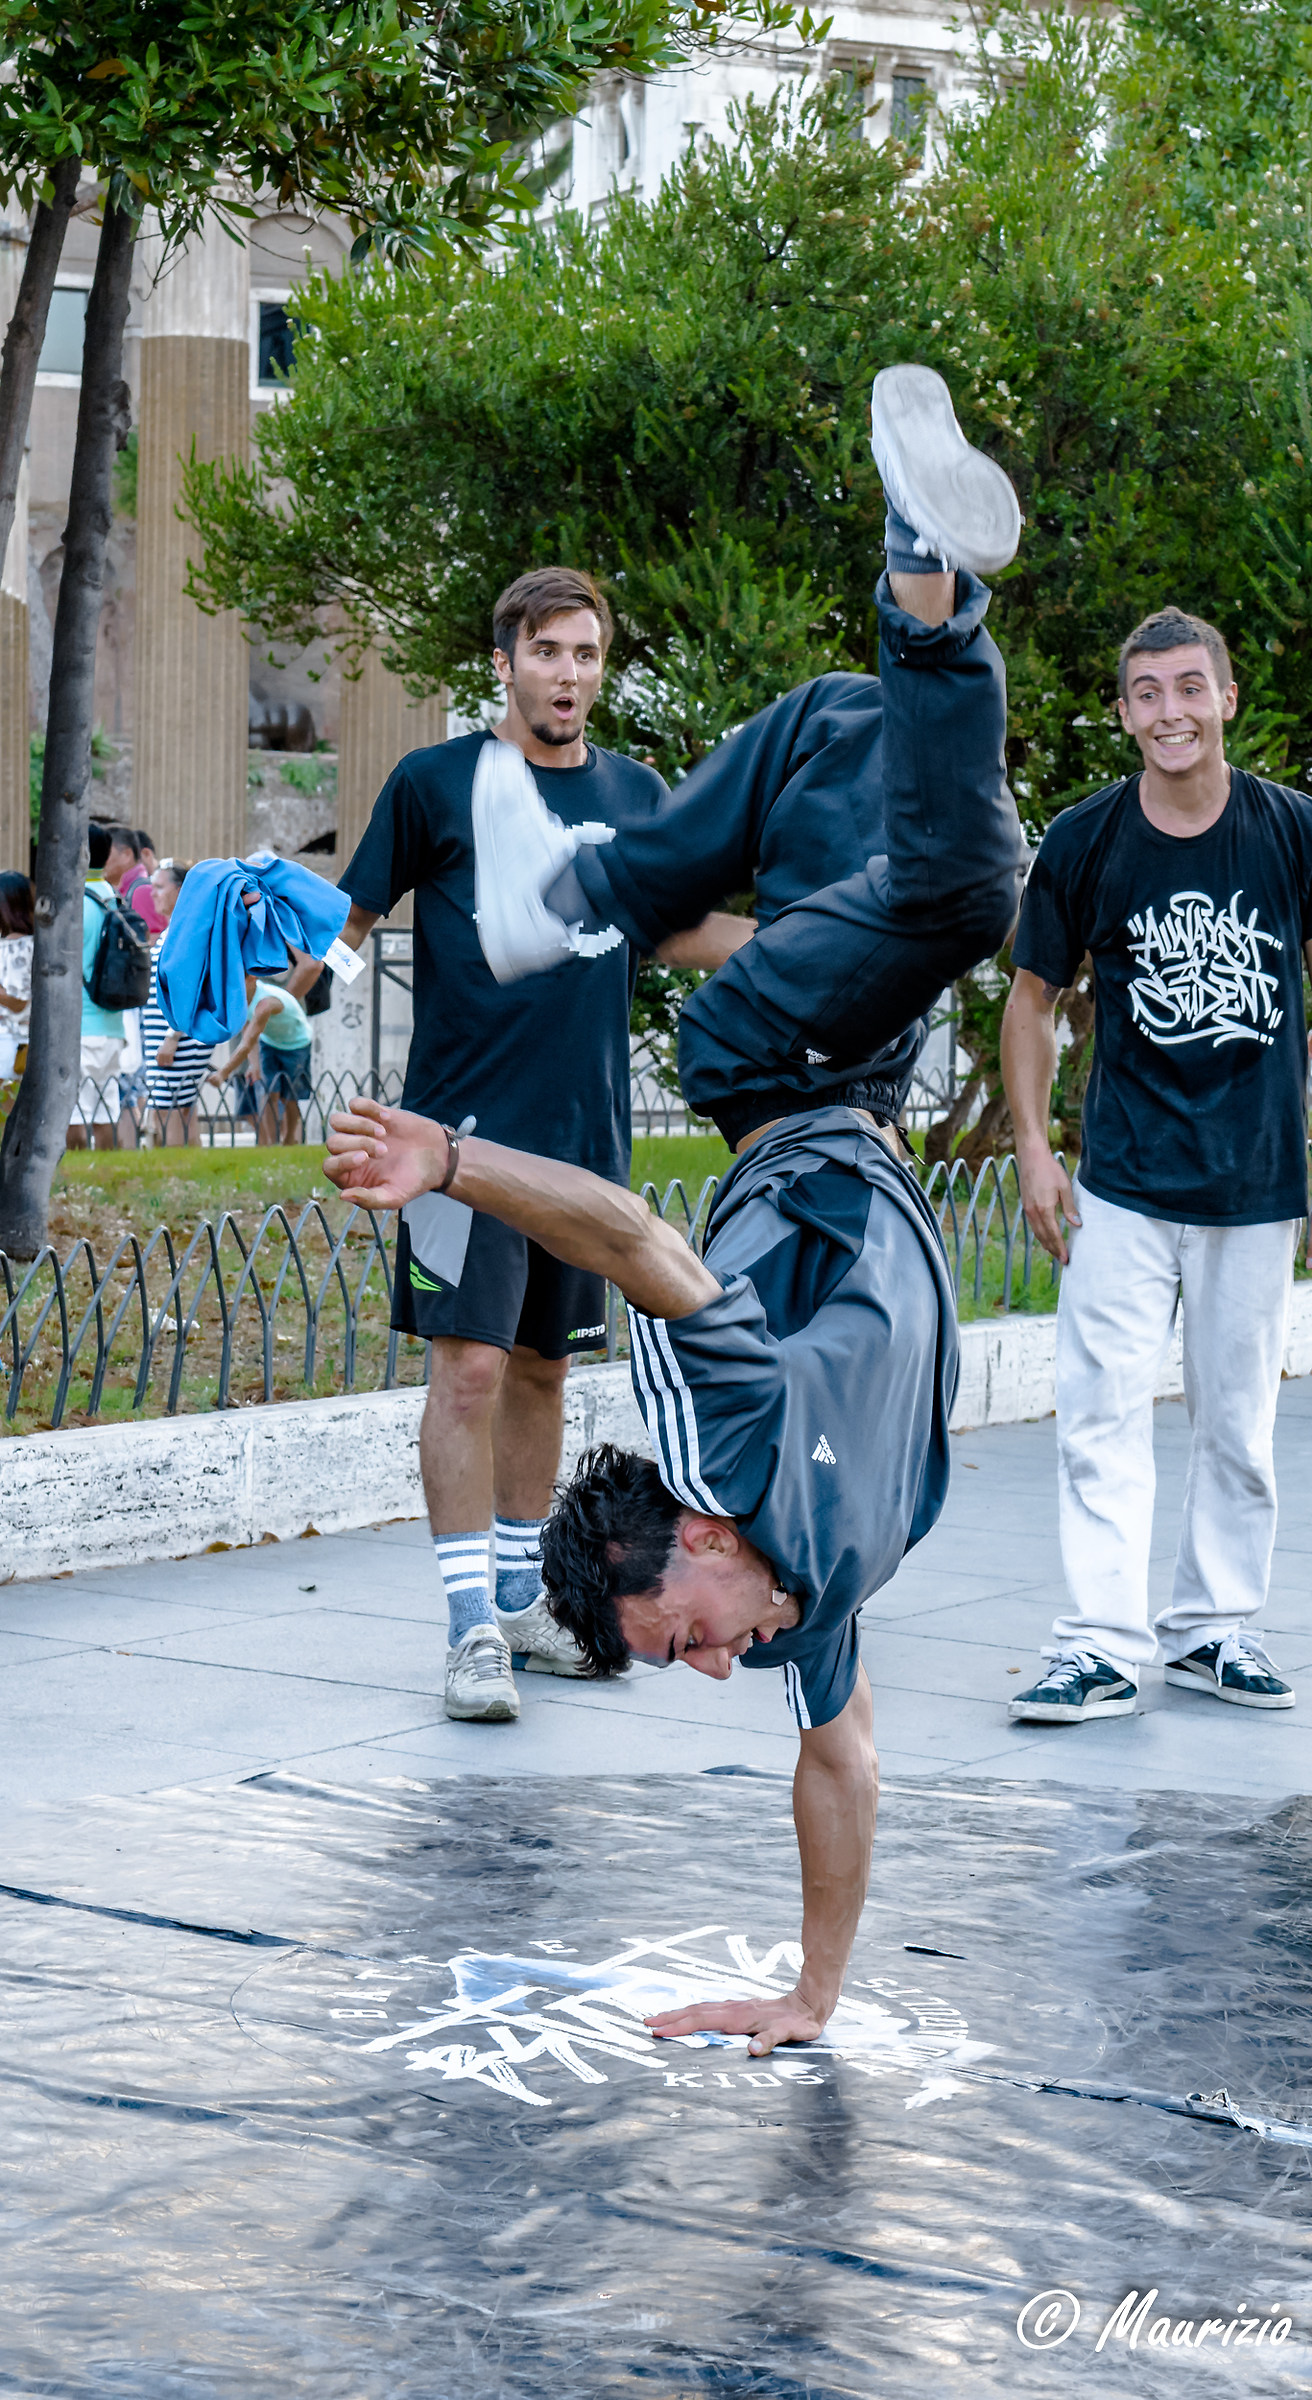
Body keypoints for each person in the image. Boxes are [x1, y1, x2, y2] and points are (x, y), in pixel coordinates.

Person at [324, 363, 1026, 2056]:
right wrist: (809, 1994)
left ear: (697, 1541)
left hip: (778, 1065)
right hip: (832, 989)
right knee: (863, 763)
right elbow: (839, 1765)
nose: (715, 1668)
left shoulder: (733, 1455)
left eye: (683, 1642)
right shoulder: (814, 1590)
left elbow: (639, 1245)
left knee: (974, 882)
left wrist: (452, 1159)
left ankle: (919, 577)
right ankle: (645, 856)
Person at [305, 567, 750, 1727]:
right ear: (501, 665)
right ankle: (466, 1633)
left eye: (586, 654)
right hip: (450, 1140)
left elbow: (675, 926)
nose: (568, 674)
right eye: (547, 651)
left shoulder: (636, 792)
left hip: (585, 1147)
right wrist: (293, 992)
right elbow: (353, 924)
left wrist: (813, 938)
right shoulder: (434, 783)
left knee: (545, 1369)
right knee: (467, 1369)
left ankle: (517, 1605)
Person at [1000, 605, 1312, 1730]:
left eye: (1187, 687)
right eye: (1147, 692)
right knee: (1098, 1412)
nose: (1170, 710)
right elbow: (1029, 1002)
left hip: (1255, 1186)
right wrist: (1029, 1145)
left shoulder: (1298, 832)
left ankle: (1213, 1629)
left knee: (1234, 1421)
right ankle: (1100, 1646)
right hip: (1119, 1180)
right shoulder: (1084, 840)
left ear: (1224, 699)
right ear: (1123, 714)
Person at [142, 863, 215, 1144]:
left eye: (160, 887)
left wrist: (172, 1037)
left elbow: (189, 987)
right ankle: (189, 1176)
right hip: (173, 1036)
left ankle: (175, 1177)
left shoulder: (185, 930)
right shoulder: (181, 928)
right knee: (182, 1112)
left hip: (176, 1037)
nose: (153, 894)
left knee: (168, 1112)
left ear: (182, 890)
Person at [70, 824, 127, 1152]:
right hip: (112, 1024)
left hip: (81, 1022)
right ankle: (108, 1175)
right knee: (106, 1108)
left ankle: (77, 1180)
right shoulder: (112, 897)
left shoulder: (76, 900)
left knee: (75, 1111)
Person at [208, 970, 313, 1144]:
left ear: (252, 979)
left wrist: (222, 1073)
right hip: (269, 1042)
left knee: (289, 1095)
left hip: (296, 1044)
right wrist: (254, 1064)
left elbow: (247, 1042)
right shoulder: (241, 1000)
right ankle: (270, 1143)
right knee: (267, 1091)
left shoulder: (265, 1003)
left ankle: (289, 1139)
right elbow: (246, 1027)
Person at [0, 870, 33, 1084]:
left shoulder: (18, 947)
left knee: (7, 1112)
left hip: (11, 1042)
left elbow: (19, 1002)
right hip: (11, 1042)